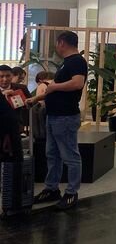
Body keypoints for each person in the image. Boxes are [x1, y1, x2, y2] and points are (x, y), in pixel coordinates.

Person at [30, 31, 87, 210]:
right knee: (52, 154)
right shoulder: (66, 63)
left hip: (65, 117)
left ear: (62, 43)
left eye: (57, 43)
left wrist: (55, 86)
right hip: (54, 115)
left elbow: (77, 83)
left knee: (70, 156)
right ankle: (51, 188)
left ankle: (71, 192)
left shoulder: (77, 61)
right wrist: (36, 98)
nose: (56, 46)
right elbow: (55, 89)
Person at [0, 64, 32, 136]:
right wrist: (2, 95)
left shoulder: (21, 88)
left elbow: (31, 104)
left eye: (8, 76)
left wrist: (25, 102)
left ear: (12, 76)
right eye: (1, 76)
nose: (5, 79)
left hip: (16, 126)